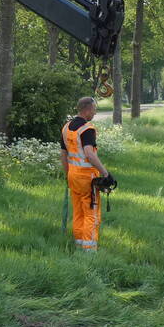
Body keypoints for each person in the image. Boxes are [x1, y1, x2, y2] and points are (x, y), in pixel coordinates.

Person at [60, 96, 110, 251]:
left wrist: (67, 174)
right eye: (94, 110)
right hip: (87, 178)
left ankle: (79, 243)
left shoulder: (66, 128)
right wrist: (105, 173)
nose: (95, 113)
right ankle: (89, 251)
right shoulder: (87, 129)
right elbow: (89, 153)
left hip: (73, 176)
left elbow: (63, 154)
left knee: (78, 212)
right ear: (88, 109)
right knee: (91, 214)